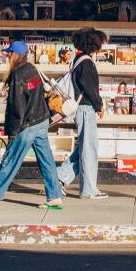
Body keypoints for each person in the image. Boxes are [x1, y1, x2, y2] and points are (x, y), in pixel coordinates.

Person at [0, 40, 63, 211]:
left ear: (15, 55)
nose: (6, 56)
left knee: (11, 159)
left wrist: (12, 130)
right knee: (47, 160)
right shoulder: (32, 69)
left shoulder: (18, 75)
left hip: (26, 124)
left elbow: (16, 105)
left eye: (8, 53)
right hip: (41, 120)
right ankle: (55, 196)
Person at [57, 27, 108, 200]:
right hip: (86, 109)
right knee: (89, 149)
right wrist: (100, 106)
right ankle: (88, 189)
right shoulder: (87, 63)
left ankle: (59, 177)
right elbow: (90, 89)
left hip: (82, 109)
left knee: (83, 149)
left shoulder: (78, 60)